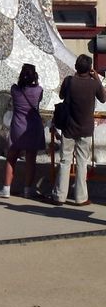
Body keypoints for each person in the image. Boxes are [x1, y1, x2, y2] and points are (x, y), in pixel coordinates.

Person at [53, 54, 105, 206]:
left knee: (64, 161)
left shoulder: (69, 81)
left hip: (69, 128)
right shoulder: (93, 84)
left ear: (76, 67)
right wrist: (96, 78)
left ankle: (59, 196)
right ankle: (80, 198)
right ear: (90, 69)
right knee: (82, 162)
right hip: (86, 128)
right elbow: (103, 98)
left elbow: (62, 95)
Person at [0, 63, 46, 199]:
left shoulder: (15, 89)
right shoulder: (38, 90)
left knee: (11, 158)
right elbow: (38, 101)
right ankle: (28, 189)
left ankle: (6, 189)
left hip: (17, 127)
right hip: (33, 127)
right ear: (34, 76)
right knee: (30, 159)